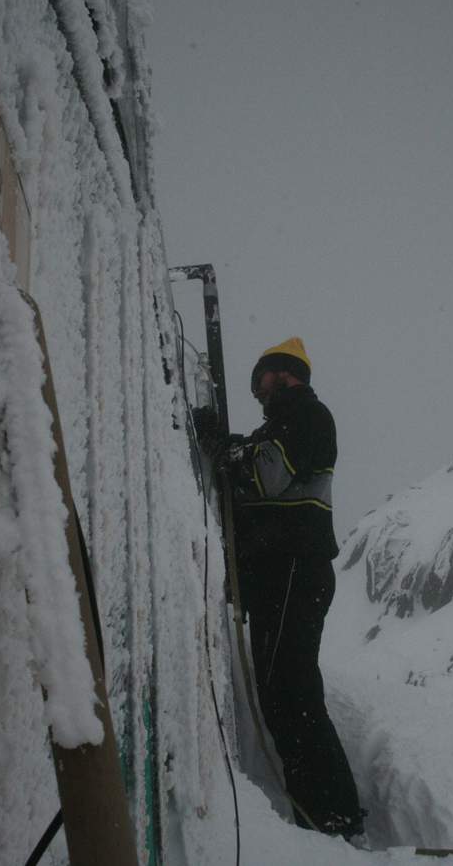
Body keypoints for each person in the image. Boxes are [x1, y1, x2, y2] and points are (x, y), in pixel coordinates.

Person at [194, 337, 365, 840]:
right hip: (280, 575)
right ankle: (322, 814)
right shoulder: (279, 426)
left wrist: (221, 446)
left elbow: (266, 475)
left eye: (262, 379)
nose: (257, 390)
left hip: (293, 569)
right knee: (282, 693)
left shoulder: (307, 414)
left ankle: (331, 817)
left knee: (292, 691)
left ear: (284, 373)